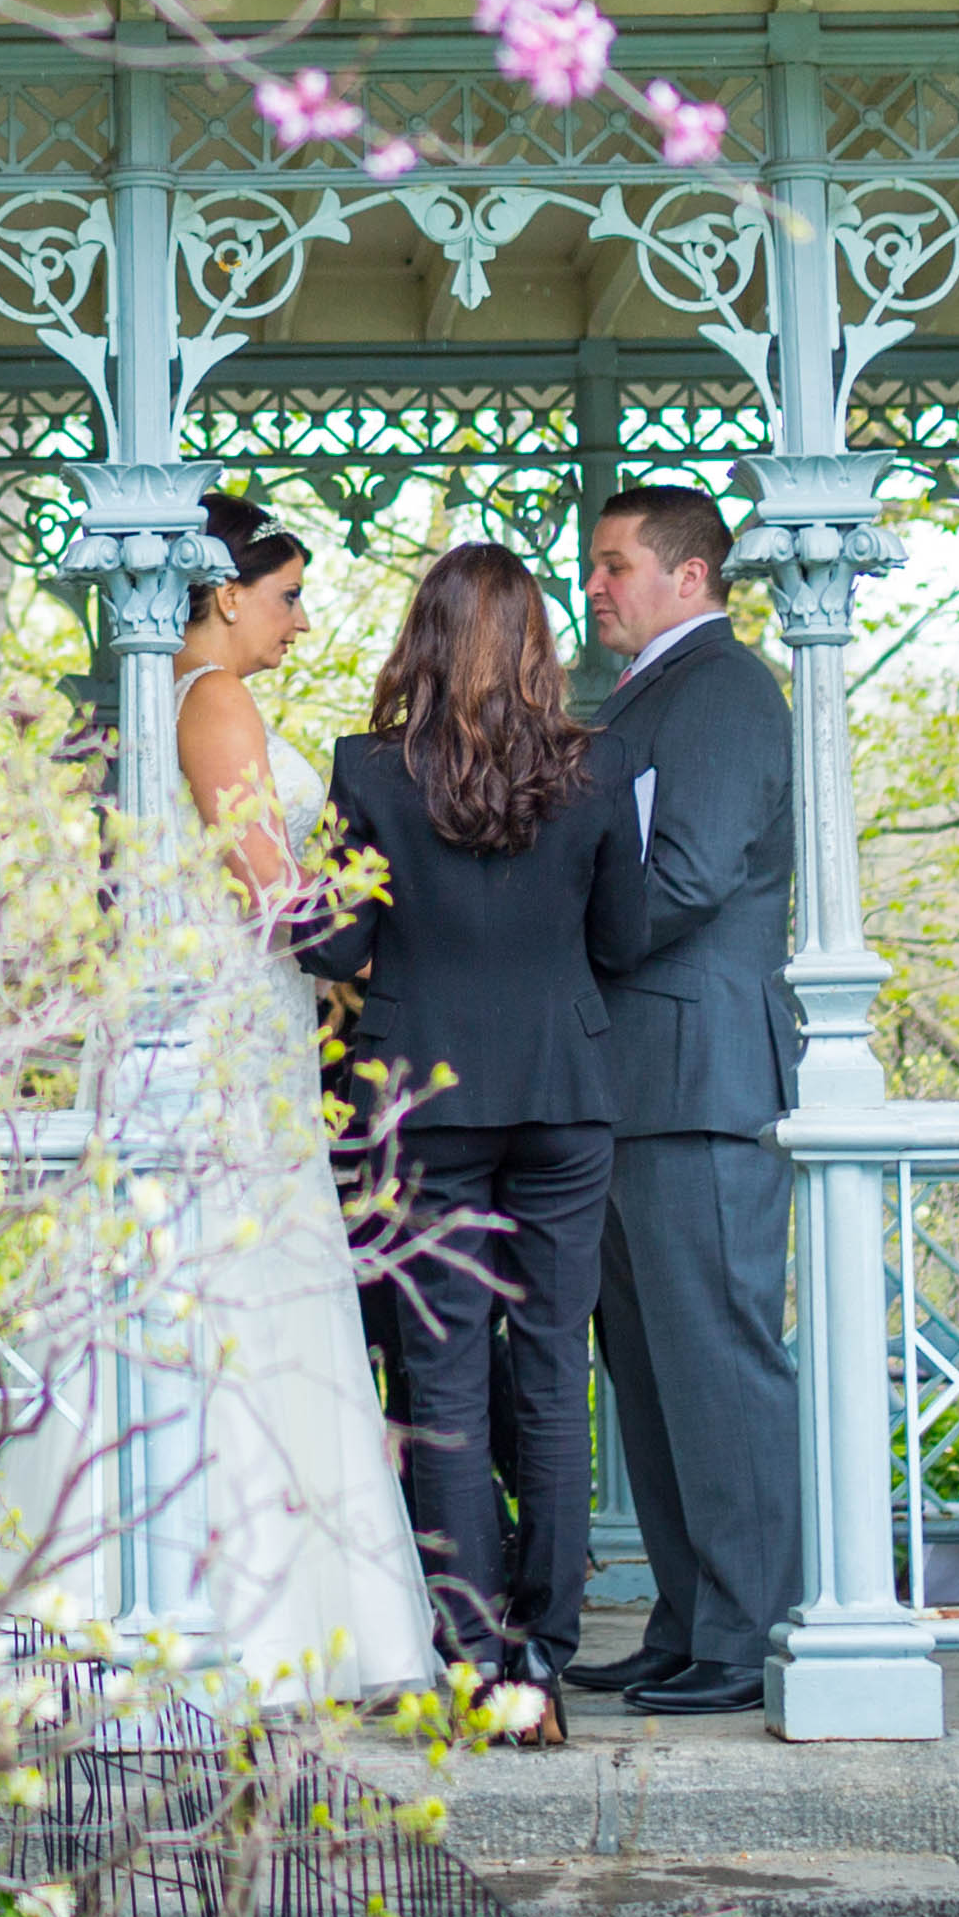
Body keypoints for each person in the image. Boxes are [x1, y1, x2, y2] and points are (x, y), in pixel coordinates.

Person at [0, 498, 444, 1704]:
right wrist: (405, 946)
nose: (299, 620)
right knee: (231, 1303)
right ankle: (250, 1616)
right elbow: (270, 895)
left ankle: (188, 1596)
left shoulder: (157, 706)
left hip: (232, 1042)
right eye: (285, 595)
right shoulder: (209, 698)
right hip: (221, 1053)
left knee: (206, 1311)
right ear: (225, 593)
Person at [305, 541, 651, 1741]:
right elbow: (628, 932)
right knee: (554, 1378)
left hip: (422, 1102)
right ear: (538, 644)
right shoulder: (594, 772)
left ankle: (468, 1666)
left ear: (426, 639)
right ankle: (540, 1664)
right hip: (563, 1094)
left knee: (444, 1385)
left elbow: (335, 952)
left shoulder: (369, 773)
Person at [561, 485, 804, 1721]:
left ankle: (753, 1628)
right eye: (592, 567)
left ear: (689, 577)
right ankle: (686, 1618)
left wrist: (551, 943)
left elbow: (692, 872)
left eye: (612, 566)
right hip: (635, 1078)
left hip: (702, 1073)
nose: (594, 585)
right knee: (648, 1372)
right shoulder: (645, 692)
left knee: (716, 1357)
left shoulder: (722, 689)